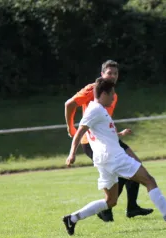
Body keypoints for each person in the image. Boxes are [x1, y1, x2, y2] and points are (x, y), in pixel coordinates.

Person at [62, 78, 166, 235]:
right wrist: (72, 154)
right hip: (114, 157)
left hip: (104, 160)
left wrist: (119, 133)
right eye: (112, 94)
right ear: (103, 94)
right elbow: (80, 132)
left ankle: (72, 219)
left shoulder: (97, 109)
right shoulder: (95, 109)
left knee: (110, 201)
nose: (114, 97)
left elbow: (99, 134)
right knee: (149, 180)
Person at [65, 59, 152, 222]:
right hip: (90, 142)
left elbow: (103, 126)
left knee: (134, 165)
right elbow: (69, 104)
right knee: (129, 168)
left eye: (115, 73)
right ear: (102, 74)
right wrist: (71, 128)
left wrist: (119, 133)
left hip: (106, 140)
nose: (112, 76)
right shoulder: (92, 89)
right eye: (109, 73)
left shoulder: (113, 94)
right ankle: (110, 208)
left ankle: (129, 207)